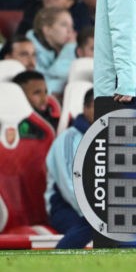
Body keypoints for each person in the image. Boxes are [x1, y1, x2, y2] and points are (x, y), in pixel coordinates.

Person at [45, 89, 95, 249]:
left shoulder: (114, 136)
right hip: (64, 206)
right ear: (86, 108)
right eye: (97, 106)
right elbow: (69, 186)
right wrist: (97, 215)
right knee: (95, 229)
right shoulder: (68, 139)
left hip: (99, 208)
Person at [26, 6, 76, 96]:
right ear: (47, 30)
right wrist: (69, 48)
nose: (70, 31)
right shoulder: (26, 51)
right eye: (64, 25)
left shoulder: (58, 50)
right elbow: (48, 81)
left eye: (72, 26)